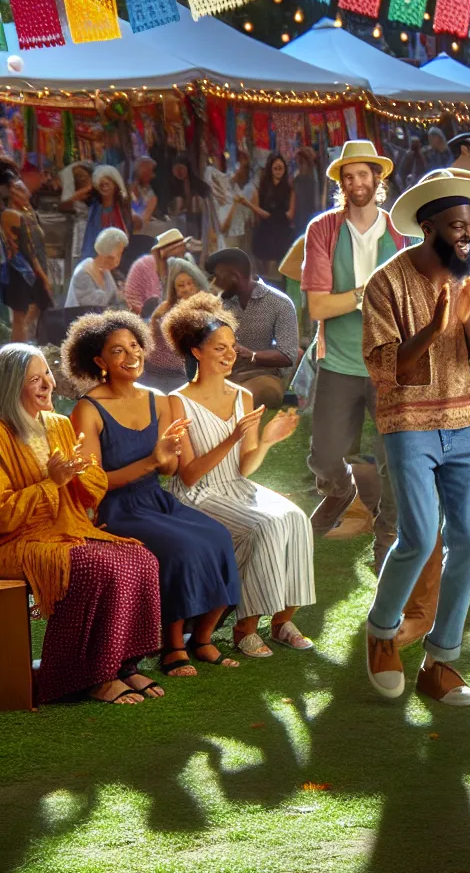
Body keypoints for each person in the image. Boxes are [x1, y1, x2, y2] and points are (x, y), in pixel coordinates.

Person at [361, 168, 470, 706]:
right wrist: (435, 326)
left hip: (466, 422)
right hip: (408, 424)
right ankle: (382, 631)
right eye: (456, 226)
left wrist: (465, 325)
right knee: (419, 538)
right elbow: (384, 369)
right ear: (428, 227)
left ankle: (440, 662)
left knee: (468, 541)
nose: (467, 235)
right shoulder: (386, 283)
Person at [64, 312, 242, 678]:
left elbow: (170, 470)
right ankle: (171, 646)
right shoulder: (88, 409)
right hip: (115, 510)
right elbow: (90, 485)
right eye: (117, 351)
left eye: (134, 346)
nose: (131, 355)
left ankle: (202, 637)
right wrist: (152, 459)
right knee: (180, 550)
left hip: (155, 501)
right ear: (99, 362)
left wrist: (169, 453)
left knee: (219, 536)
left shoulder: (158, 401)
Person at [0, 343, 162, 705]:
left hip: (68, 531)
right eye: (35, 380)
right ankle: (85, 676)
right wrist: (52, 483)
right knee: (96, 567)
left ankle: (123, 664)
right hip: (15, 542)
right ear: (10, 387)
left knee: (142, 560)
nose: (48, 385)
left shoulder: (58, 424)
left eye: (48, 375)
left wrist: (79, 473)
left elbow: (90, 496)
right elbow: (3, 514)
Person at [163, 295, 313, 659]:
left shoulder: (244, 396)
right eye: (220, 348)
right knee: (265, 526)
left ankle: (282, 621)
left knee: (295, 518)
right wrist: (232, 437)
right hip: (196, 494)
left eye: (233, 347)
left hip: (236, 486)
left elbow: (244, 467)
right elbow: (190, 473)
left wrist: (266, 442)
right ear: (196, 352)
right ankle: (245, 628)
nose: (230, 355)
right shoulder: (177, 401)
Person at [300, 139, 404, 556]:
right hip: (340, 360)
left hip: (390, 362)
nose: (356, 182)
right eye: (349, 176)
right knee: (325, 455)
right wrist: (366, 295)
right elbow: (319, 306)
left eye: (363, 174)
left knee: (393, 459)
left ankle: (388, 537)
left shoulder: (401, 231)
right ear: (342, 183)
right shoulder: (323, 228)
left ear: (377, 179)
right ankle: (340, 491)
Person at [203, 248, 299, 412]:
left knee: (261, 393)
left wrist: (252, 355)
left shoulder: (280, 303)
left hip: (263, 376)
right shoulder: (217, 305)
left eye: (217, 277)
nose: (213, 284)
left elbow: (288, 355)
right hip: (224, 376)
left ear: (235, 276)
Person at [141, 257, 209, 394]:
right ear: (174, 290)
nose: (187, 289)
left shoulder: (206, 307)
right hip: (162, 373)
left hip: (186, 373)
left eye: (190, 283)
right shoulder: (167, 310)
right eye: (181, 285)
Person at [0, 164, 51, 341]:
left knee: (30, 313)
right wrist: (43, 277)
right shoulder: (11, 216)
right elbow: (28, 251)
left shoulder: (27, 212)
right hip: (20, 270)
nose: (24, 192)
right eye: (18, 189)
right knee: (20, 318)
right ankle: (16, 354)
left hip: (29, 269)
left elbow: (37, 246)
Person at [248, 154, 295, 277]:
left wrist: (271, 216)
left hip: (282, 234)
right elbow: (258, 212)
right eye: (276, 168)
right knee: (265, 272)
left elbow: (290, 214)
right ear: (270, 169)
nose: (279, 171)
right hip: (265, 233)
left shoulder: (289, 189)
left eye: (281, 168)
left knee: (279, 272)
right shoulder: (262, 188)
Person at [65, 226, 130, 310]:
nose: (119, 259)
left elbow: (117, 299)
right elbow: (94, 309)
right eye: (119, 254)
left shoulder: (105, 271)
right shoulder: (83, 273)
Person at [79, 165, 134, 260]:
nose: (105, 187)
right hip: (97, 258)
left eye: (107, 184)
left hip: (119, 259)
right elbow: (90, 238)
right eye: (102, 185)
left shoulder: (122, 209)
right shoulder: (94, 209)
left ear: (115, 185)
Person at [206, 157, 256, 253]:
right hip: (228, 241)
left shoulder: (240, 192)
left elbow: (225, 227)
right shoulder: (227, 192)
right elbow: (223, 228)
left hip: (235, 240)